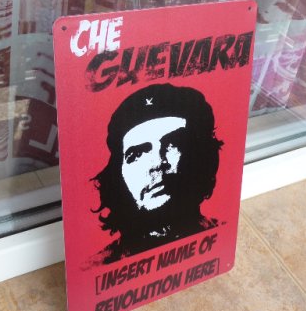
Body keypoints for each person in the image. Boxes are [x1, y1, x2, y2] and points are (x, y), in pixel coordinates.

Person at [92, 83, 223, 263]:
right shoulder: (98, 265)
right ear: (117, 174)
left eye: (174, 144)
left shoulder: (221, 237)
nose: (157, 163)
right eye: (137, 154)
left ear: (202, 155)